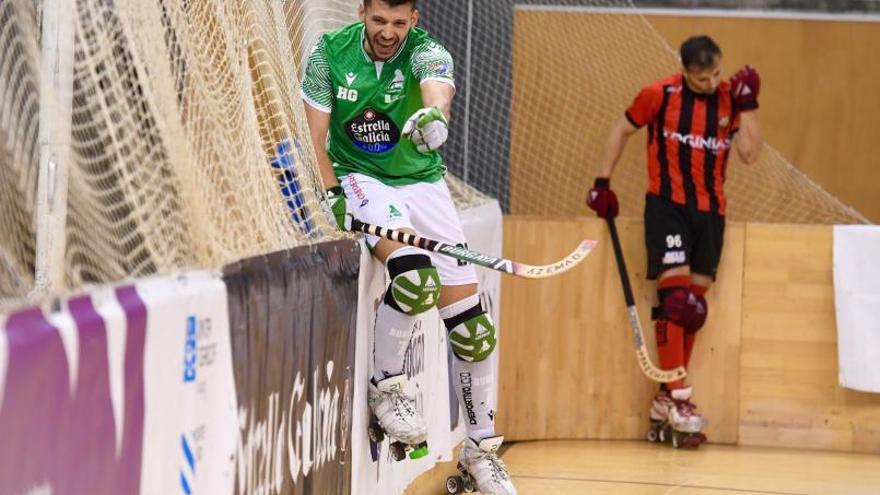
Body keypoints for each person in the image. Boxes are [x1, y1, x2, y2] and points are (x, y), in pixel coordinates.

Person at [301, 0, 516, 491]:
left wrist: (434, 116)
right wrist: (332, 192)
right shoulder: (327, 54)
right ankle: (388, 390)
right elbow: (315, 138)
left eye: (399, 23)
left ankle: (480, 451)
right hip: (363, 179)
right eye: (379, 21)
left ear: (414, 19)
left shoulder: (427, 50)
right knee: (416, 279)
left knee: (475, 332)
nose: (387, 32)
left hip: (423, 184)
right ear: (362, 13)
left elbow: (437, 88)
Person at [587, 35, 763, 446]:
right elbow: (621, 129)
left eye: (717, 73)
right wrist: (602, 181)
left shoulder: (729, 100)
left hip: (712, 213)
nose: (712, 82)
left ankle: (665, 398)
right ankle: (681, 397)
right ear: (685, 72)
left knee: (693, 310)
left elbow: (750, 154)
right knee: (675, 303)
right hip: (668, 207)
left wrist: (750, 105)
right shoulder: (659, 95)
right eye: (703, 78)